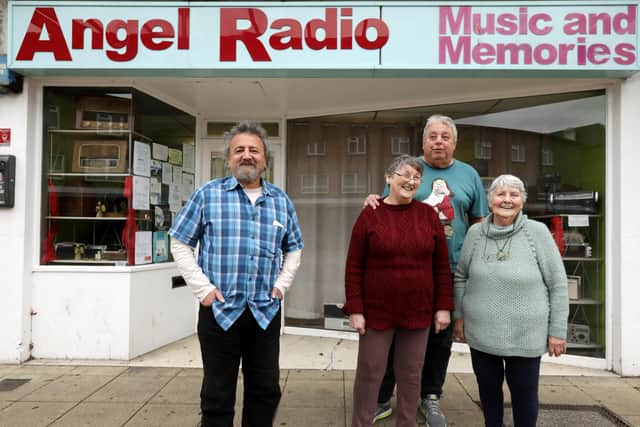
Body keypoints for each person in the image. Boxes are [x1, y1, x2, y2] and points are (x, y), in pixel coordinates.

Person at [169, 121, 304, 427]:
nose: (247, 155)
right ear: (228, 159)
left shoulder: (280, 201)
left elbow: (294, 249)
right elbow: (179, 241)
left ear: (265, 159)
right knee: (217, 394)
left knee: (266, 390)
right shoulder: (208, 195)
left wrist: (282, 286)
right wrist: (202, 289)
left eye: (253, 150)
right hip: (219, 311)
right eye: (239, 150)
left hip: (264, 312)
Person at [364, 114, 488, 426]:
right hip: (406, 269)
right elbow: (385, 204)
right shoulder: (409, 169)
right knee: (394, 333)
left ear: (454, 143)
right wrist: (372, 199)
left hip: (449, 269)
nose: (438, 142)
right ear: (423, 142)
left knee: (440, 336)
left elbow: (479, 224)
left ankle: (430, 396)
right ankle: (382, 398)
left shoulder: (469, 174)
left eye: (445, 137)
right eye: (432, 136)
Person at [344, 155, 453, 427]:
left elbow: (441, 265)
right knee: (370, 373)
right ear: (389, 178)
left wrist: (443, 307)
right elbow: (354, 265)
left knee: (411, 374)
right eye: (404, 175)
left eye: (416, 177)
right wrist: (355, 309)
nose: (411, 181)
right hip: (377, 312)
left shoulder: (428, 215)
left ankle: (406, 423)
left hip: (418, 311)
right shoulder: (371, 213)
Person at [453, 174, 569, 427]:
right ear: (490, 200)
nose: (507, 200)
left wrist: (557, 331)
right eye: (500, 194)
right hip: (481, 333)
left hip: (526, 334)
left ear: (522, 202)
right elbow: (460, 276)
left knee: (524, 395)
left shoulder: (537, 233)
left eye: (514, 195)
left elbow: (558, 284)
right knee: (488, 392)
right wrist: (458, 316)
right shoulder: (475, 233)